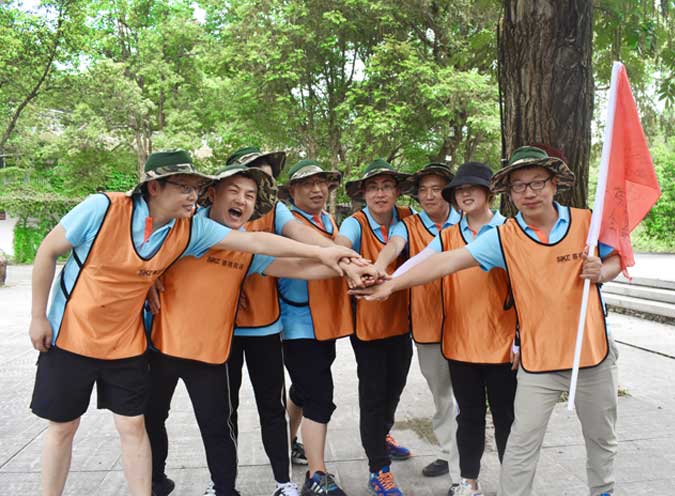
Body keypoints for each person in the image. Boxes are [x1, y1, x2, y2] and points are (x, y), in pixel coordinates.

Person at [28, 150, 357, 496]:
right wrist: (38, 317)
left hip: (156, 348)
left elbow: (257, 242)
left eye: (193, 188)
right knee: (75, 426)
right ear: (155, 187)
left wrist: (335, 259)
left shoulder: (191, 229)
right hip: (96, 340)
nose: (191, 195)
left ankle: (226, 488)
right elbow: (50, 251)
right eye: (184, 187)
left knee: (151, 426)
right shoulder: (111, 209)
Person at [350, 146, 621, 496]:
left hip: (591, 353)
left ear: (554, 183)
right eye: (519, 185)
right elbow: (445, 262)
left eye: (537, 182)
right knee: (520, 444)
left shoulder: (587, 222)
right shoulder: (506, 236)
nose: (528, 192)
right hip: (539, 361)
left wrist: (603, 271)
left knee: (601, 438)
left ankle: (603, 491)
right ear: (509, 191)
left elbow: (618, 257)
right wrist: (389, 284)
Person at [145, 163, 376, 496]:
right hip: (161, 344)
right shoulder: (191, 227)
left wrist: (349, 268)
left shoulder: (244, 248)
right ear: (213, 194)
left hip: (209, 351)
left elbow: (296, 266)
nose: (242, 200)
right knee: (151, 418)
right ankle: (155, 482)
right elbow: (142, 253)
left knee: (218, 425)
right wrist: (148, 279)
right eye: (234, 192)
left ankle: (234, 488)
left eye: (250, 195)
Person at [222, 147, 368, 495]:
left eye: (266, 178)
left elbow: (304, 241)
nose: (260, 184)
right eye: (252, 175)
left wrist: (344, 260)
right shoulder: (209, 217)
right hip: (230, 324)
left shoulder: (281, 212)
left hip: (270, 323)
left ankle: (286, 469)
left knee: (286, 399)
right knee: (225, 409)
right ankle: (226, 481)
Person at [430, 162, 517, 496]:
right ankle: (468, 482)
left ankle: (512, 484)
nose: (465, 194)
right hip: (460, 342)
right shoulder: (447, 236)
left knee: (507, 417)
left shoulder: (510, 231)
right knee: (468, 416)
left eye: (473, 188)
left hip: (502, 343)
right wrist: (387, 280)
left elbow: (526, 288)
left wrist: (522, 337)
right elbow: (422, 263)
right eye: (459, 190)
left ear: (488, 192)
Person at [374, 162, 461, 485]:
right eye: (423, 190)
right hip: (428, 324)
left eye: (436, 189)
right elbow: (393, 246)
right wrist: (379, 268)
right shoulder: (409, 225)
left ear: (448, 192)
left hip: (469, 322)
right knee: (442, 394)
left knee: (468, 394)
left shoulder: (466, 221)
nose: (429, 196)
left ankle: (465, 459)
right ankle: (449, 453)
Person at [277, 159, 355, 496]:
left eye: (322, 183)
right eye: (307, 184)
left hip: (324, 325)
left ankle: (288, 441)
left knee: (302, 390)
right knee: (319, 398)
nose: (317, 189)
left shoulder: (326, 219)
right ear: (292, 191)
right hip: (297, 326)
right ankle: (316, 475)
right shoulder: (287, 223)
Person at [337, 159, 415, 496]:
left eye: (386, 187)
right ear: (363, 194)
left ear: (397, 192)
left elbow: (401, 244)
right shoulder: (355, 222)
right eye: (373, 188)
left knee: (395, 387)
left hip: (402, 322)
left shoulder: (408, 218)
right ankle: (378, 469)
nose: (380, 194)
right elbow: (341, 243)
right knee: (372, 395)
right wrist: (342, 257)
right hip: (367, 326)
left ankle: (382, 434)